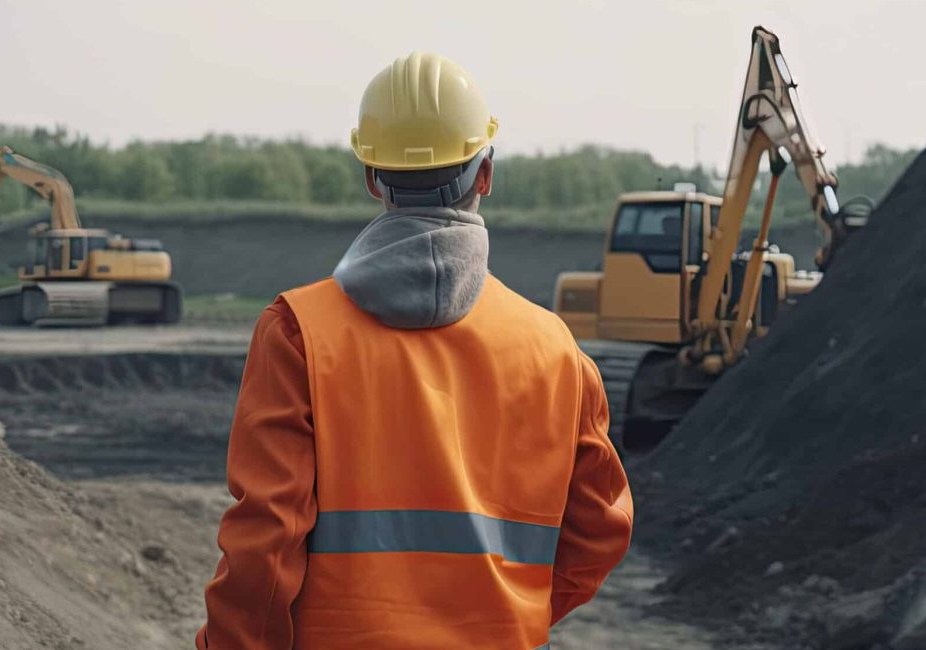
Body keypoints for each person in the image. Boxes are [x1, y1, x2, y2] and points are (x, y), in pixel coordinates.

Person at [197, 51, 633, 650]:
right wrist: (508, 615)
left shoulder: (299, 332)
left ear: (373, 178)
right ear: (486, 174)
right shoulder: (554, 350)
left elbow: (265, 543)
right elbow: (600, 531)